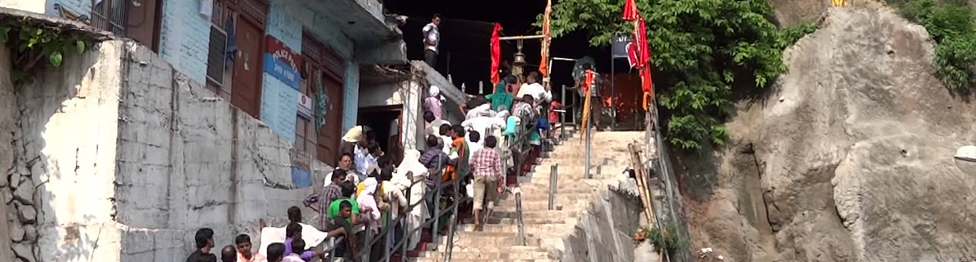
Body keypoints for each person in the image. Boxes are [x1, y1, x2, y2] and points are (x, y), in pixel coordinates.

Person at [395, 149, 430, 251]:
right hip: (416, 195)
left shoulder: (402, 168)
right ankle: (411, 244)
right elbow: (428, 174)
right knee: (414, 220)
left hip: (409, 196)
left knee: (411, 219)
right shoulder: (419, 167)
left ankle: (410, 244)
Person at [470, 136, 504, 230]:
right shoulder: (495, 154)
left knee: (477, 199)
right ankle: (487, 219)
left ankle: (476, 220)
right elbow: (498, 169)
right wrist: (500, 181)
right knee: (490, 199)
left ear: (485, 143)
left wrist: (473, 172)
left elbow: (471, 163)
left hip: (479, 175)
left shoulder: (478, 152)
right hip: (491, 176)